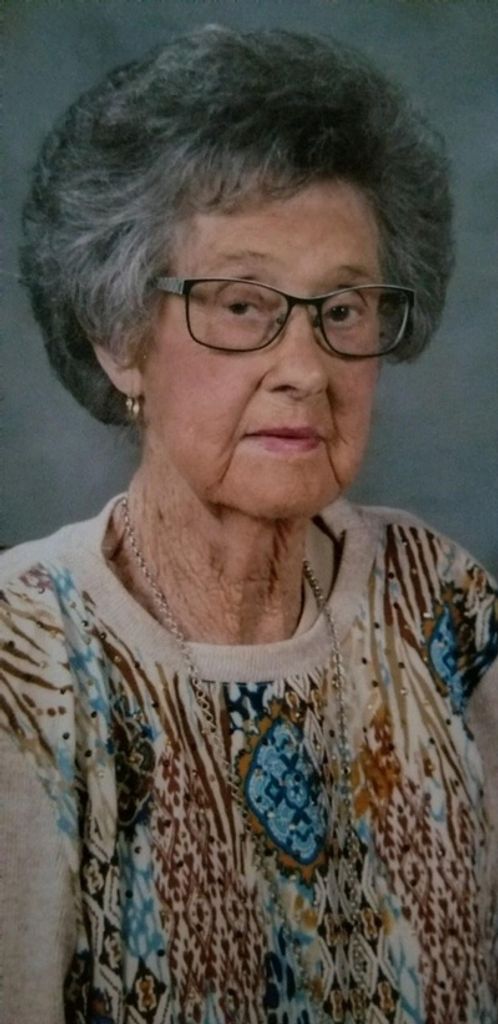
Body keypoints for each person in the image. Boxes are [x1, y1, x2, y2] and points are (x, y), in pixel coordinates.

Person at [1, 24, 496, 1024]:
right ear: (118, 338)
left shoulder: (443, 602)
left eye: (344, 310)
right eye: (240, 304)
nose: (305, 368)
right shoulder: (25, 659)